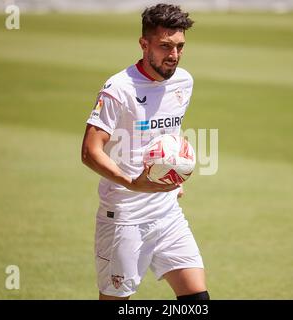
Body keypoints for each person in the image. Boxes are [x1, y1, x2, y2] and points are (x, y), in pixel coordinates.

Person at [81, 3, 209, 300]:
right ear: (144, 44)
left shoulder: (183, 82)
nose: (173, 55)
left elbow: (166, 135)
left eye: (179, 47)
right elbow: (89, 151)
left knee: (197, 299)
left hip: (167, 214)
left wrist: (169, 173)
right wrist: (132, 183)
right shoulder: (119, 89)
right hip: (125, 218)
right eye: (165, 46)